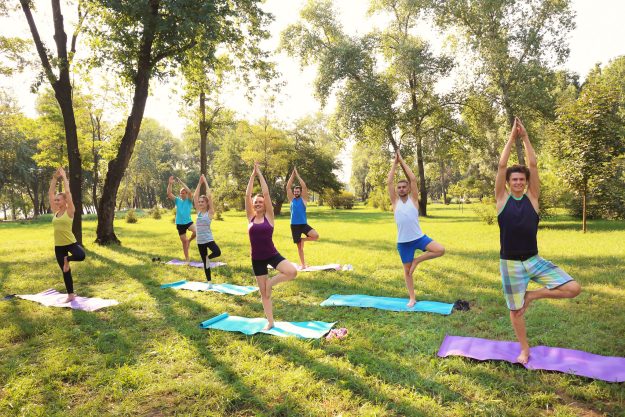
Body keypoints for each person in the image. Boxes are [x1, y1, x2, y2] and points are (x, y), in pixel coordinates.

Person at [496, 117, 581, 364]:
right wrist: (511, 138)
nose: (518, 182)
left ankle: (532, 295)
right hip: (510, 264)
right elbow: (501, 166)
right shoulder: (502, 199)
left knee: (573, 288)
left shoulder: (532, 198)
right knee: (515, 310)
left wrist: (525, 137)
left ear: (526, 182)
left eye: (521, 179)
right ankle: (524, 349)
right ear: (509, 182)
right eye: (514, 179)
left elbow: (533, 164)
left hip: (533, 260)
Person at [387, 151, 445, 307]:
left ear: (408, 189)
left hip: (419, 238)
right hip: (403, 242)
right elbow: (389, 182)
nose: (401, 189)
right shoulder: (395, 202)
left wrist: (402, 161)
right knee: (407, 272)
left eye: (404, 187)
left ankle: (417, 260)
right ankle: (412, 298)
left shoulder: (413, 200)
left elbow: (413, 179)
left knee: (440, 250)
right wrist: (394, 164)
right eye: (399, 187)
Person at [246, 162, 297, 330]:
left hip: (272, 254)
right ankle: (270, 322)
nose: (258, 203)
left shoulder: (269, 216)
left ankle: (270, 283)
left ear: (265, 204)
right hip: (257, 259)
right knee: (264, 294)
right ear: (253, 205)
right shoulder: (250, 217)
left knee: (292, 272)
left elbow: (266, 193)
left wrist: (259, 173)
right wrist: (252, 176)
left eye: (260, 202)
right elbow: (247, 195)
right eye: (256, 202)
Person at [49, 167, 86, 302]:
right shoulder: (55, 211)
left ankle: (67, 259)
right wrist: (55, 178)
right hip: (59, 246)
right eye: (56, 200)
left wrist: (64, 176)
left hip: (71, 243)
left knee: (81, 255)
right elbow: (50, 193)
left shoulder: (70, 211)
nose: (56, 202)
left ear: (65, 201)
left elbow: (68, 192)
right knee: (65, 271)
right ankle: (70, 295)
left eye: (58, 200)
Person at [286, 167, 319, 269]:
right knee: (299, 248)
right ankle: (303, 265)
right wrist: (292, 175)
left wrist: (297, 174)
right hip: (294, 226)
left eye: (297, 191)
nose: (296, 192)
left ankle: (303, 240)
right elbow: (288, 187)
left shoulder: (304, 199)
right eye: (295, 191)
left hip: (303, 224)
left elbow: (304, 187)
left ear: (300, 192)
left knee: (315, 236)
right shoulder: (291, 200)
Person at [193, 174, 221, 286]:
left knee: (217, 252)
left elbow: (209, 196)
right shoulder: (198, 212)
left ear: (206, 203)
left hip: (208, 239)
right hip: (200, 241)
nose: (200, 203)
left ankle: (208, 258)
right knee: (205, 263)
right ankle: (209, 282)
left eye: (202, 202)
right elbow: (195, 196)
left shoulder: (210, 212)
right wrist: (199, 183)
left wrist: (205, 181)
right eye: (199, 202)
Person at [167, 175, 196, 263]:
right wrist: (170, 184)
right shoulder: (177, 200)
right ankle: (187, 259)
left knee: (196, 231)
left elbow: (190, 191)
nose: (182, 194)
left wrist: (181, 183)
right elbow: (169, 194)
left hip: (188, 222)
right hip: (179, 224)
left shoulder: (189, 200)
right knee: (184, 242)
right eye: (181, 193)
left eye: (183, 193)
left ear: (186, 194)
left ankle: (189, 240)